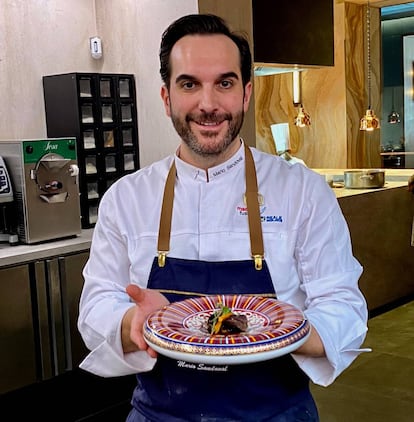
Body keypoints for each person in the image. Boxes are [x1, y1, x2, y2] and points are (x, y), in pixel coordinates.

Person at [78, 13, 369, 421]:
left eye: (225, 83)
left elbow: (343, 305)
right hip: (161, 415)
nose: (208, 104)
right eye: (189, 84)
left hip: (276, 414)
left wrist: (278, 332)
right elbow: (96, 306)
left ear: (246, 95)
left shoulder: (303, 192)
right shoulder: (126, 199)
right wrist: (134, 322)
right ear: (166, 98)